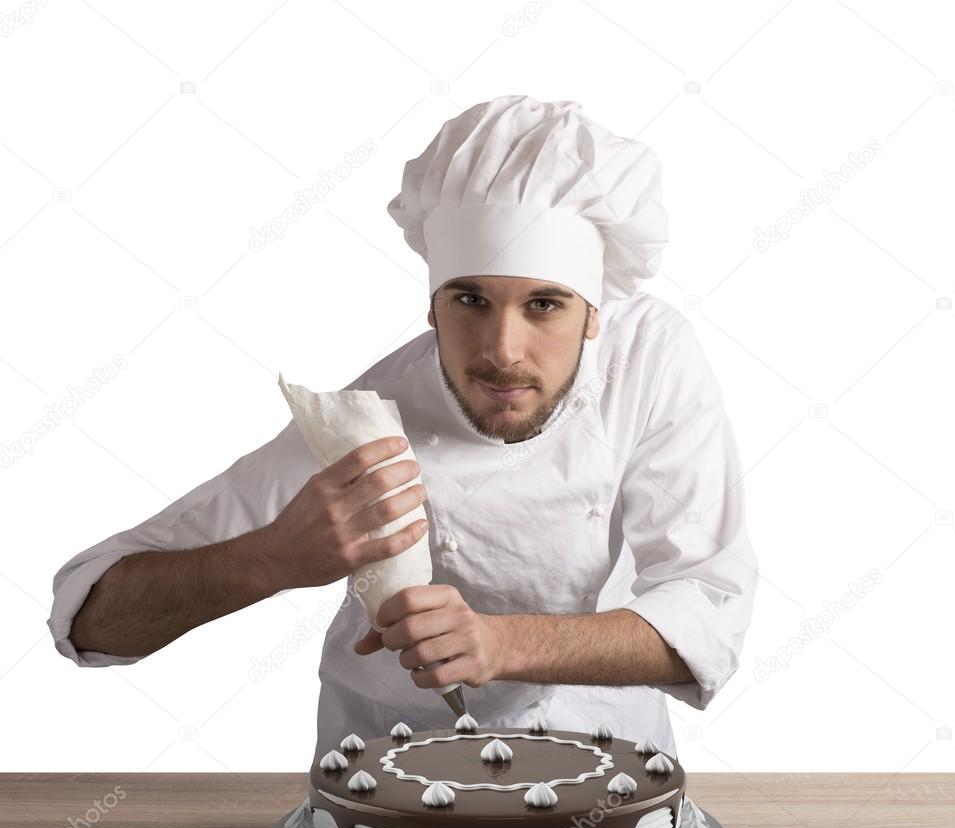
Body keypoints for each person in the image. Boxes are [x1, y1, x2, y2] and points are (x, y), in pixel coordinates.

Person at [48, 95, 759, 760]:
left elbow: (710, 612)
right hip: (389, 787)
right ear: (431, 306)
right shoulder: (369, 424)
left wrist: (501, 643)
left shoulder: (651, 361)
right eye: (471, 300)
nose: (502, 350)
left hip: (609, 778)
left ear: (595, 316)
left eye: (544, 305)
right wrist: (273, 558)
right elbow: (91, 621)